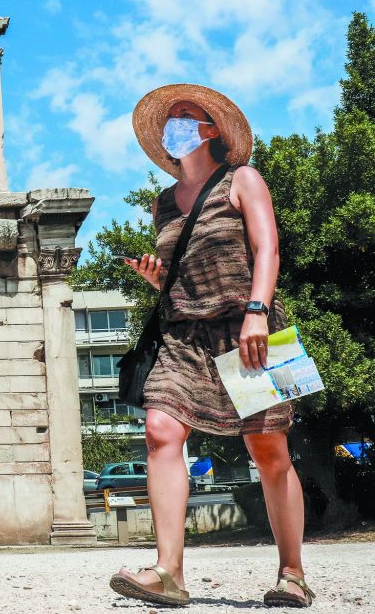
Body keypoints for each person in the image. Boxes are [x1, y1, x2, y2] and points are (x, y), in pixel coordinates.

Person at [109, 84, 313, 608]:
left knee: (269, 451)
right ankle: (167, 572)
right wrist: (157, 280)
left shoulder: (242, 179)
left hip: (252, 325)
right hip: (184, 332)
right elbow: (183, 274)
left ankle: (292, 573)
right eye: (170, 117)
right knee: (160, 429)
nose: (174, 122)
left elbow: (268, 247)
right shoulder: (162, 203)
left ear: (212, 129)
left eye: (185, 114)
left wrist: (257, 312)